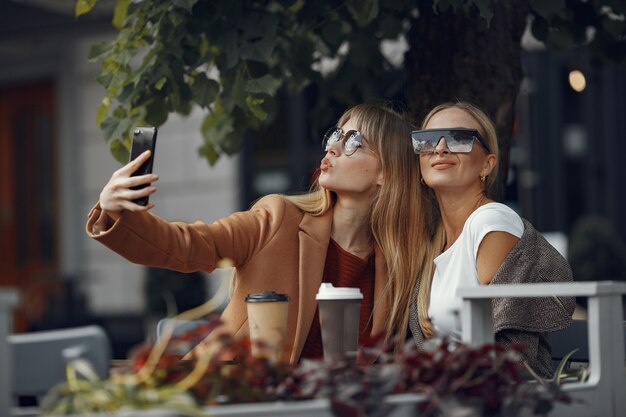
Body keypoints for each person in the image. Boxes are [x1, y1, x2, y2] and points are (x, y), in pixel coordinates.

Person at [86, 103, 429, 362]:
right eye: (336, 136)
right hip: (232, 397)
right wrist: (116, 210)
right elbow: (187, 245)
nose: (333, 148)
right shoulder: (278, 217)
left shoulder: (400, 263)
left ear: (387, 173)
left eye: (354, 141)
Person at [407, 101, 575, 378]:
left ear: (487, 164)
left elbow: (510, 344)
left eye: (458, 138)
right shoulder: (436, 239)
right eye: (426, 141)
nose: (439, 148)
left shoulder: (490, 221)